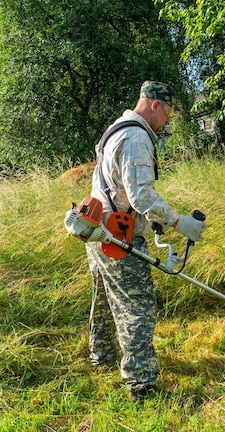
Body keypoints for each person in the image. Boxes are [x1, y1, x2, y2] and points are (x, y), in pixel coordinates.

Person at [85, 81, 206, 402]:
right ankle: (141, 384)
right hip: (117, 236)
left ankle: (102, 354)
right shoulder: (137, 137)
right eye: (168, 112)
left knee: (105, 298)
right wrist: (181, 223)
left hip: (96, 228)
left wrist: (151, 220)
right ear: (155, 105)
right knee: (137, 306)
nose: (168, 120)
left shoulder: (116, 128)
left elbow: (121, 186)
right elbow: (141, 195)